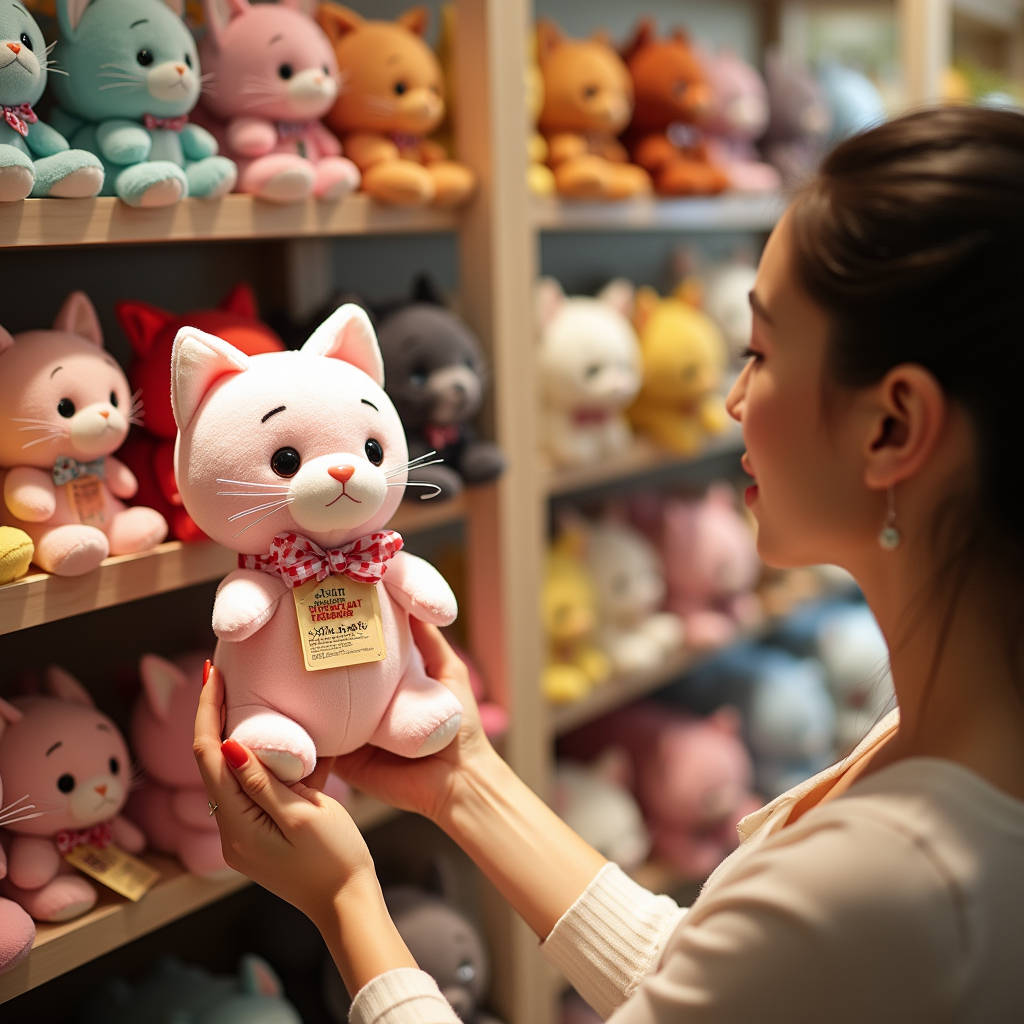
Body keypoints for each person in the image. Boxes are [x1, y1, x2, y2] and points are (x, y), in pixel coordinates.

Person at [193, 106, 1024, 1023]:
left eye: (762, 350)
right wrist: (463, 778)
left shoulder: (891, 879)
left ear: (893, 425)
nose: (734, 397)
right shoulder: (957, 745)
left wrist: (347, 902)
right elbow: (714, 988)